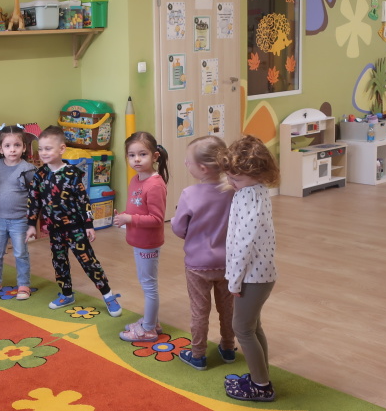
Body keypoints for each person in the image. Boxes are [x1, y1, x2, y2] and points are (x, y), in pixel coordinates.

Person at [26, 125, 122, 316]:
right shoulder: (40, 175)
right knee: (59, 262)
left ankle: (108, 295)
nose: (43, 153)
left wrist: (88, 225)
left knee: (89, 262)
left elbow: (83, 201)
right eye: (41, 149)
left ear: (61, 149)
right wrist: (31, 224)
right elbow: (33, 200)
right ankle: (66, 293)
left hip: (75, 228)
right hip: (55, 230)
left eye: (48, 148)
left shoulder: (72, 173)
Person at [218, 135, 280, 402]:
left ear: (258, 174)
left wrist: (234, 280)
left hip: (251, 276)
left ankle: (261, 386)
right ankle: (260, 376)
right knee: (253, 327)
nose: (231, 182)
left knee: (242, 329)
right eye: (229, 176)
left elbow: (243, 243)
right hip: (260, 274)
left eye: (237, 178)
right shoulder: (256, 191)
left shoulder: (248, 197)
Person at [170, 136, 237, 369]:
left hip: (198, 265)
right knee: (227, 309)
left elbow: (179, 228)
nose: (185, 164)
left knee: (199, 311)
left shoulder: (189, 194)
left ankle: (198, 354)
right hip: (228, 263)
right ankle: (228, 348)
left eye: (187, 161)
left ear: (202, 168)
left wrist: (182, 227)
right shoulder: (232, 191)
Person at [112, 131, 169, 342]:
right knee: (146, 283)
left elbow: (156, 219)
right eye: (131, 155)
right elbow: (137, 209)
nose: (136, 159)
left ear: (155, 156)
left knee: (149, 286)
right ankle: (152, 321)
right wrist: (124, 217)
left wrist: (129, 219)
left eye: (142, 154)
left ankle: (149, 329)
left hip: (148, 243)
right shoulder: (136, 179)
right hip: (139, 241)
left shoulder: (155, 185)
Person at [0, 124, 36, 300]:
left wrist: (32, 221)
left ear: (24, 148)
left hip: (20, 220)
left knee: (20, 253)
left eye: (17, 145)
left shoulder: (28, 169)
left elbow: (34, 195)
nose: (12, 149)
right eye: (8, 146)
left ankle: (24, 284)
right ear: (0, 149)